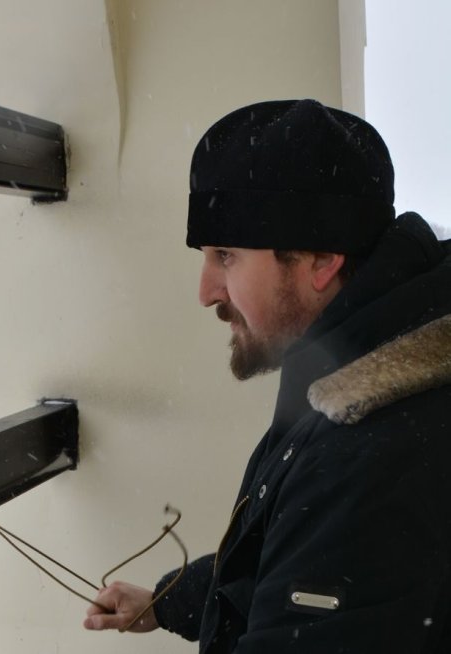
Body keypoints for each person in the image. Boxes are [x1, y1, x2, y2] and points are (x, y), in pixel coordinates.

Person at [84, 99, 451, 652]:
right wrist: (172, 600)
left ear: (321, 261)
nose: (205, 291)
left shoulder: (370, 447)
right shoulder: (353, 371)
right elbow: (302, 565)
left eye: (226, 255)